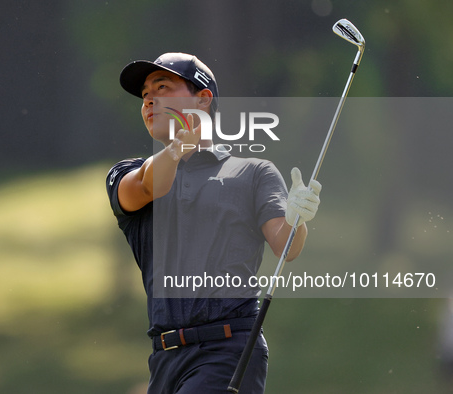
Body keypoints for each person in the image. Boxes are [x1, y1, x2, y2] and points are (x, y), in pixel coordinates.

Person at [106, 52, 322, 393]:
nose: (149, 100)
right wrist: (178, 147)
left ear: (203, 100)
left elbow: (287, 246)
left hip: (228, 350)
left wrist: (297, 218)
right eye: (145, 95)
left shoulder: (253, 173)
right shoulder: (127, 174)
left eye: (162, 87)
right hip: (163, 359)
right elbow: (150, 185)